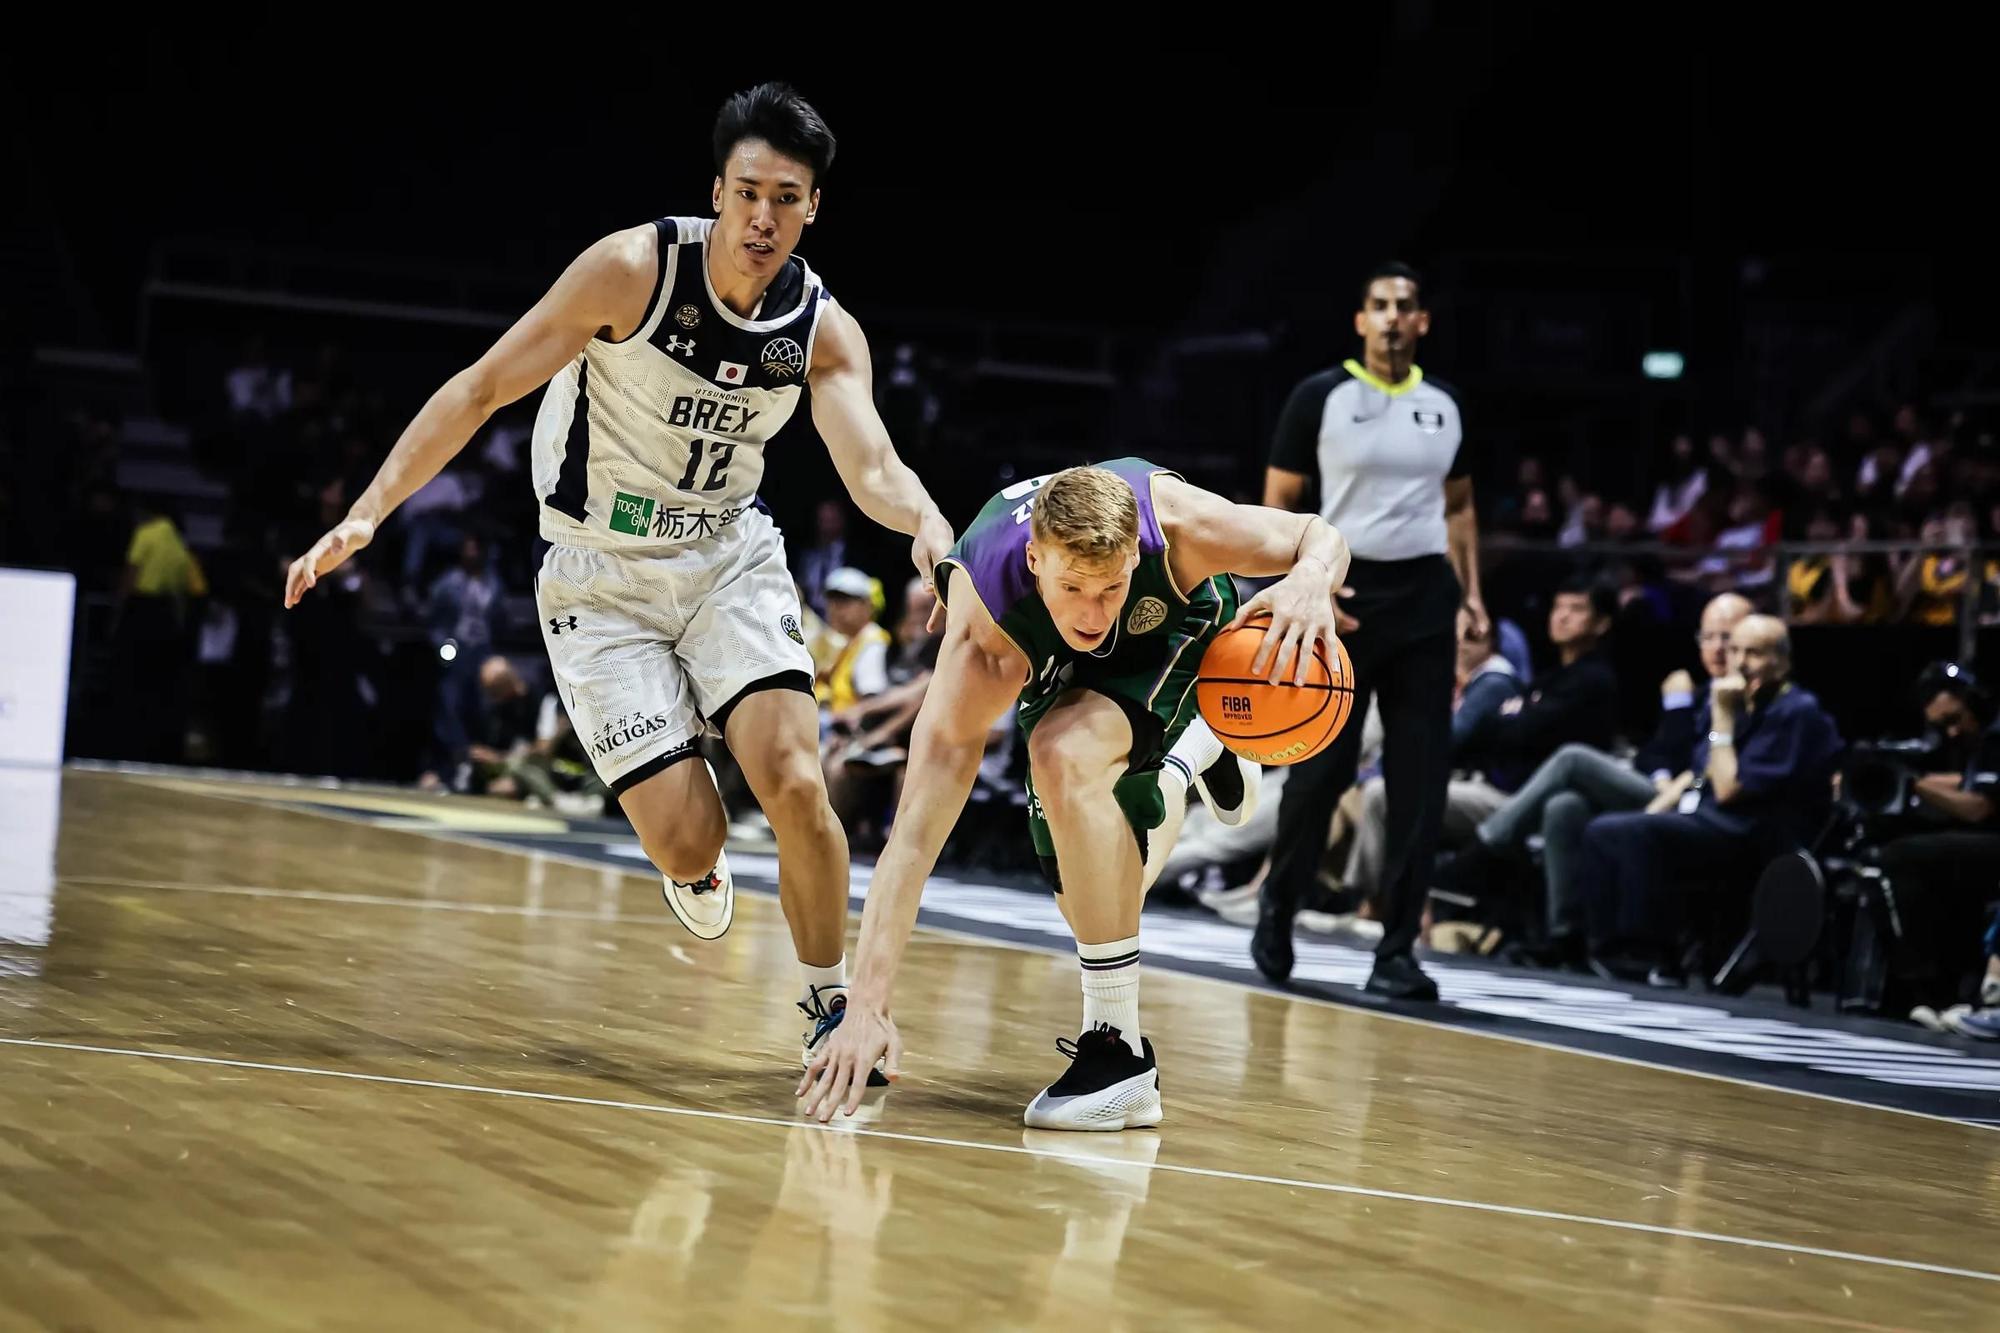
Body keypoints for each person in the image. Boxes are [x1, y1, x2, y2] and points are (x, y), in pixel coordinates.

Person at [283, 83, 954, 1079]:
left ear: (812, 206)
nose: (762, 216)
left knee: (797, 779)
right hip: (599, 576)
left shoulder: (821, 329)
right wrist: (369, 509)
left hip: (725, 554)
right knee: (686, 841)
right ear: (716, 192)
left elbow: (874, 470)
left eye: (786, 197)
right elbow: (481, 386)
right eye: (746, 192)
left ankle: (827, 1002)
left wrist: (930, 524)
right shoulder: (631, 271)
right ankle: (696, 858)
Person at [798, 459, 1346, 1129]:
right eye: (1073, 587)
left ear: (1135, 553)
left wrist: (1313, 579)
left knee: (1061, 752)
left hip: (1174, 632)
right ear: (1033, 558)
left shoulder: (1179, 523)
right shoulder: (985, 635)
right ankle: (1191, 755)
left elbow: (1316, 533)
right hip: (1054, 666)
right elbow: (913, 829)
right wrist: (867, 1008)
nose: (1093, 610)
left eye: (1111, 586)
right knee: (1094, 898)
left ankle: (1119, 1052)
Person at [1253, 261, 1483, 1000]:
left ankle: (1395, 952)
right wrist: (1301, 584)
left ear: (1422, 322)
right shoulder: (1319, 396)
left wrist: (1472, 594)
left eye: (1405, 306)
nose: (1391, 316)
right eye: (1380, 305)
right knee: (1320, 772)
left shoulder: (1446, 403)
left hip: (1423, 601)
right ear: (1360, 320)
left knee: (1420, 781)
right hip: (1341, 594)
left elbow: (1458, 508)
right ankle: (1278, 907)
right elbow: (1280, 503)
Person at [1576, 615, 1843, 981]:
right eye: (1735, 650)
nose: (1740, 662)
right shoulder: (1737, 701)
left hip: (1755, 831)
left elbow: (1729, 788)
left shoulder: (1795, 711)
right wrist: (1655, 809)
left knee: (1638, 835)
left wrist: (1721, 719)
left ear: (1782, 661)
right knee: (1604, 829)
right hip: (1709, 818)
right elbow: (1699, 773)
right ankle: (1605, 949)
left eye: (1754, 653)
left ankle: (1651, 954)